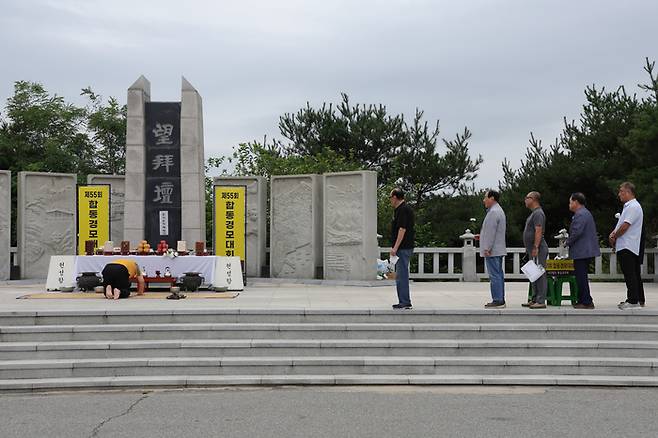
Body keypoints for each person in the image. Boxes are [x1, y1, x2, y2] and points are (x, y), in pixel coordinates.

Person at [609, 182, 645, 310]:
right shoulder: (628, 206)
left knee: (630, 274)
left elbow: (625, 226)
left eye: (621, 192)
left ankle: (634, 300)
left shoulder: (633, 206)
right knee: (631, 273)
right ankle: (632, 298)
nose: (619, 194)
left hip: (628, 245)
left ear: (629, 192)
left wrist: (615, 236)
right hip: (626, 245)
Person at [566, 192, 600, 309]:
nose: (569, 205)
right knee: (581, 276)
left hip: (582, 251)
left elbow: (577, 232)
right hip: (585, 250)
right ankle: (582, 299)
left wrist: (567, 242)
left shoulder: (580, 215)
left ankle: (586, 301)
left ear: (576, 202)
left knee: (581, 276)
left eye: (570, 202)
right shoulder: (585, 213)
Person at [480, 189, 507, 308]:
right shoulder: (498, 210)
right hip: (498, 248)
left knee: (494, 275)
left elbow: (491, 232)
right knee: (498, 274)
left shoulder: (493, 212)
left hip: (493, 249)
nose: (484, 200)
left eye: (486, 197)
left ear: (492, 198)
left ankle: (497, 299)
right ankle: (500, 298)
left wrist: (487, 247)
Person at [389, 188, 415, 309]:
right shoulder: (399, 210)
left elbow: (402, 229)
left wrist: (395, 247)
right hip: (402, 247)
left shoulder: (403, 210)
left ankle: (405, 301)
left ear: (394, 197)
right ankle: (403, 300)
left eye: (390, 198)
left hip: (403, 247)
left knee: (402, 275)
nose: (390, 201)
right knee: (400, 275)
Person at [522, 191, 548, 309]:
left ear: (533, 199)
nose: (525, 200)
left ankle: (541, 300)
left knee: (539, 273)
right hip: (532, 249)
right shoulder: (533, 214)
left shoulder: (538, 214)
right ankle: (534, 298)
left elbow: (538, 230)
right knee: (533, 274)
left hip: (538, 248)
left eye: (527, 198)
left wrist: (536, 246)